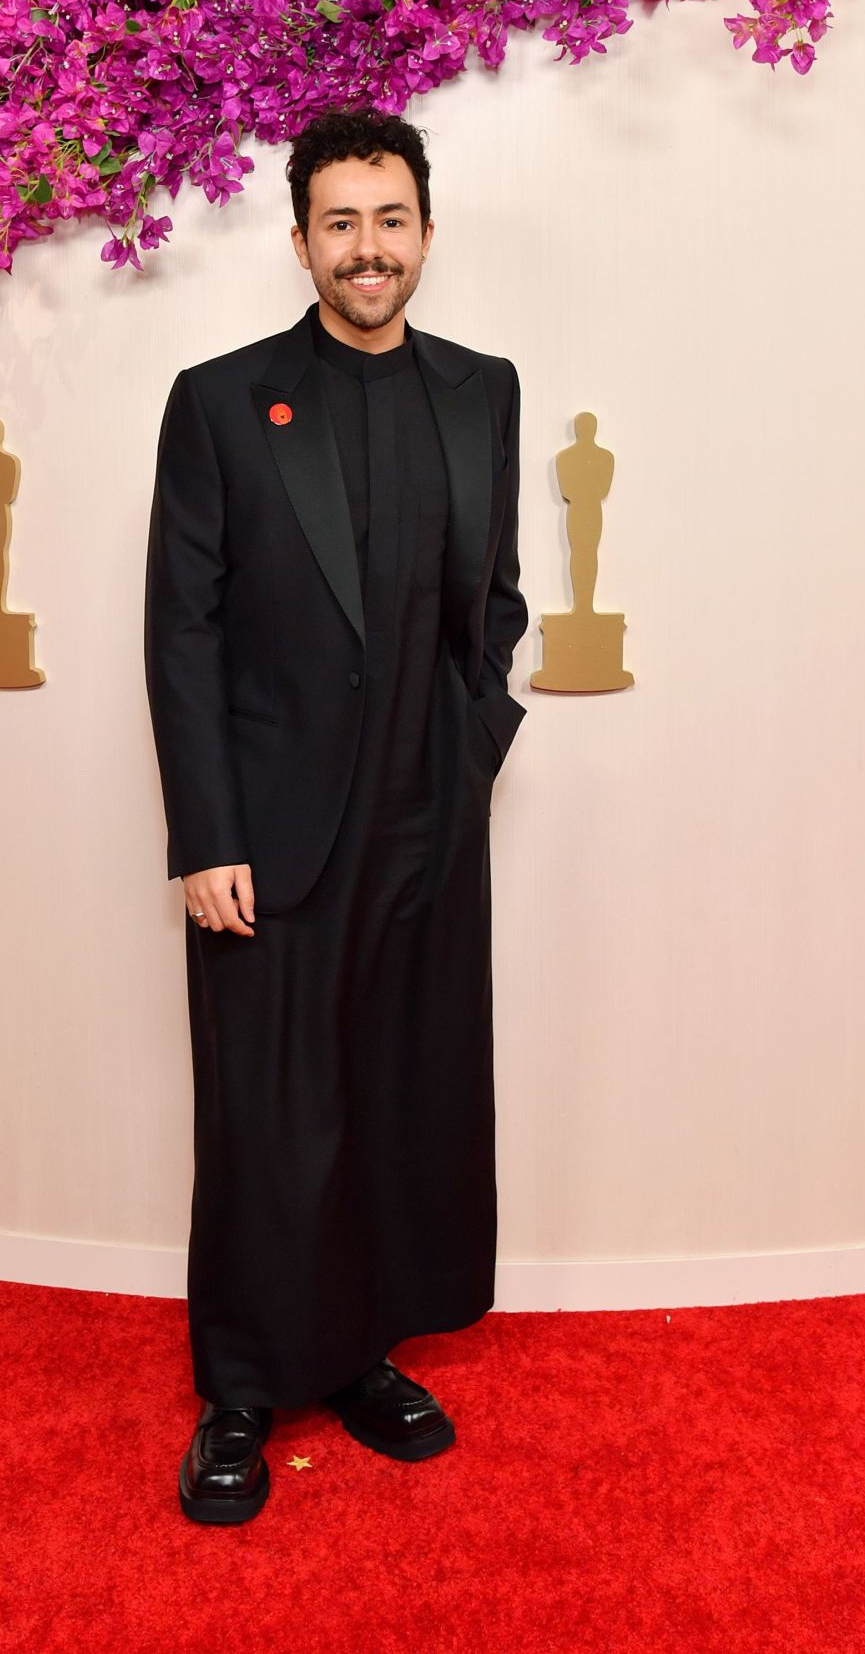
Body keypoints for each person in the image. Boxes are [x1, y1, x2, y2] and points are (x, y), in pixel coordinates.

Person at [144, 107, 529, 1525]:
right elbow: (179, 633)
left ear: (424, 229)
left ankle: (360, 1352)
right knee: (268, 1112)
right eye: (340, 223)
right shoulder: (223, 401)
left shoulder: (481, 389)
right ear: (299, 236)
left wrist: (474, 736)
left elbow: (487, 606)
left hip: (427, 819)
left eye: (391, 220)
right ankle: (242, 1388)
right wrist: (204, 834)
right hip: (271, 832)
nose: (368, 250)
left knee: (393, 1095)